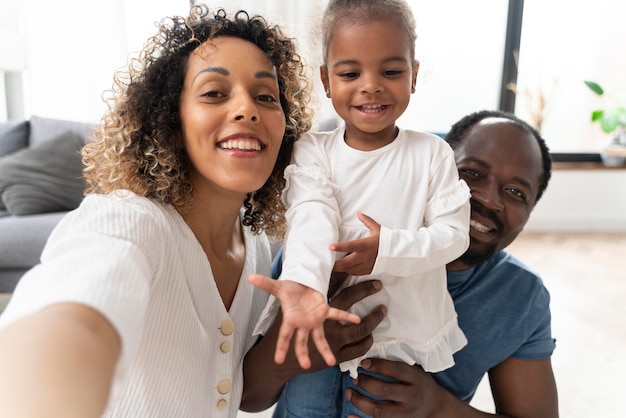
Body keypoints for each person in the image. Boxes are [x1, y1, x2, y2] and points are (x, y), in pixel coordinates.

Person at [0, 5, 316, 417]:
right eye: (214, 93)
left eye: (265, 97)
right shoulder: (129, 221)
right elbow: (71, 323)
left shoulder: (258, 246)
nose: (247, 109)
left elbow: (238, 391)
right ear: (171, 119)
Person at [245, 109, 558, 418]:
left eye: (516, 191)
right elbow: (248, 397)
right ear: (434, 173)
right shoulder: (321, 252)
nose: (489, 199)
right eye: (472, 173)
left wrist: (440, 409)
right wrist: (294, 351)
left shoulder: (520, 296)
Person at [247, 0, 470, 416]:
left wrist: (386, 250)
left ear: (414, 75)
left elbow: (453, 235)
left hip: (394, 335)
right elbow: (311, 213)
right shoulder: (313, 149)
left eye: (391, 71)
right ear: (326, 80)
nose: (371, 85)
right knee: (302, 410)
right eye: (350, 73)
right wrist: (303, 284)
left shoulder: (432, 154)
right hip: (318, 321)